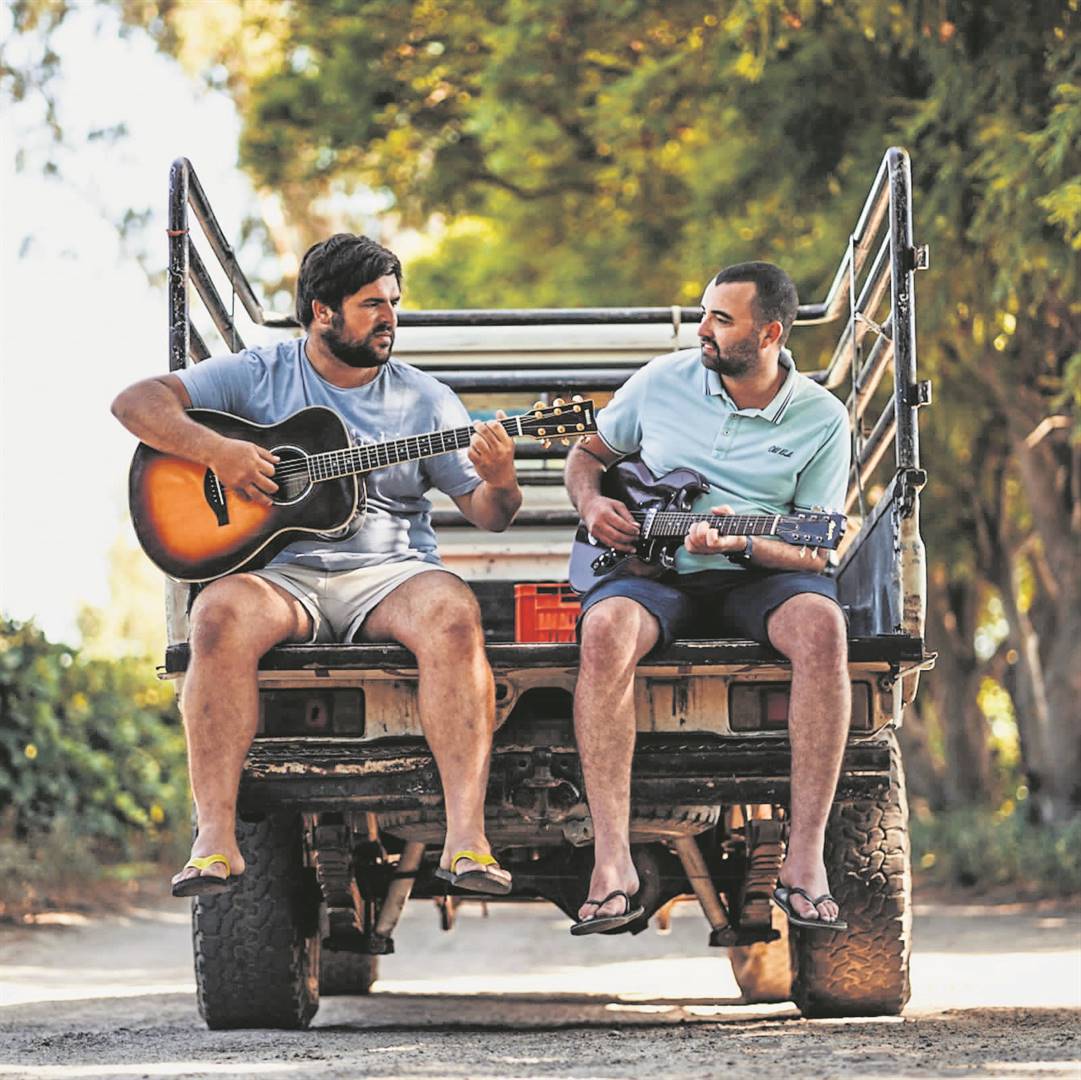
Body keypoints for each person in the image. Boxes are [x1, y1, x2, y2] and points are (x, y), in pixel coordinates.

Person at [112, 233, 522, 898]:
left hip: (389, 572)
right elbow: (135, 403)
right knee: (215, 615)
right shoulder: (260, 374)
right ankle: (214, 842)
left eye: (393, 303)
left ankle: (466, 841)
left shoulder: (426, 401)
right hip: (283, 575)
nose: (389, 318)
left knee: (453, 613)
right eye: (371, 305)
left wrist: (500, 479)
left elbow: (489, 514)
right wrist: (219, 453)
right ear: (321, 312)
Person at [564, 261, 851, 935]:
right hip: (652, 572)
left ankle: (804, 861)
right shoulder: (662, 380)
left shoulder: (821, 418)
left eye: (721, 319)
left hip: (759, 576)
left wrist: (743, 542)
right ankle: (611, 863)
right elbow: (587, 455)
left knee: (823, 627)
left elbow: (814, 548)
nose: (702, 329)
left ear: (770, 333)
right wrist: (593, 504)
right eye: (704, 313)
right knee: (603, 629)